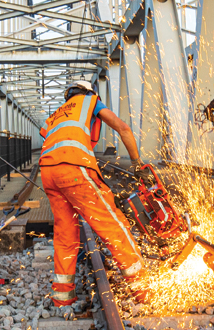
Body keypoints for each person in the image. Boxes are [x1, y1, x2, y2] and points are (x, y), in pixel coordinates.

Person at [39, 80, 149, 307]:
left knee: (65, 235)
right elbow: (123, 128)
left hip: (48, 172)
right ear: (89, 92)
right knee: (111, 223)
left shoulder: (57, 114)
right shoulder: (90, 101)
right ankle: (144, 290)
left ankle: (63, 297)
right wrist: (137, 165)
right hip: (74, 166)